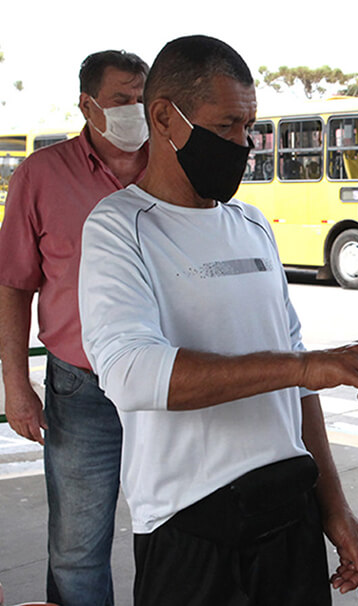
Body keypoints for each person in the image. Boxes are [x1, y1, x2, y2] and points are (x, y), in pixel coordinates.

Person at [78, 35, 358, 606]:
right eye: (227, 126)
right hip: (190, 528)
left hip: (289, 514)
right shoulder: (120, 227)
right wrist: (303, 367)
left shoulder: (252, 225)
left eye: (248, 128)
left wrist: (335, 510)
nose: (242, 145)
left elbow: (299, 390)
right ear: (164, 118)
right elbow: (131, 373)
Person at [0, 50, 149, 606]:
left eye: (142, 99)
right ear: (87, 105)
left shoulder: (178, 167)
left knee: (180, 532)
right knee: (78, 547)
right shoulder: (41, 176)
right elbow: (13, 284)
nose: (134, 111)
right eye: (120, 101)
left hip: (171, 383)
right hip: (82, 386)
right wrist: (18, 386)